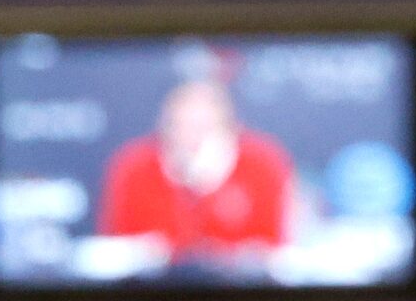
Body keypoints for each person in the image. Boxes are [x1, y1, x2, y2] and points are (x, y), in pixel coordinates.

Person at [97, 73, 296, 260]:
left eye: (204, 127)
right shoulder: (134, 166)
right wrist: (185, 188)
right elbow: (118, 247)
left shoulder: (263, 163)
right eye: (181, 126)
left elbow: (271, 247)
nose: (192, 140)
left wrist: (210, 189)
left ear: (231, 128)